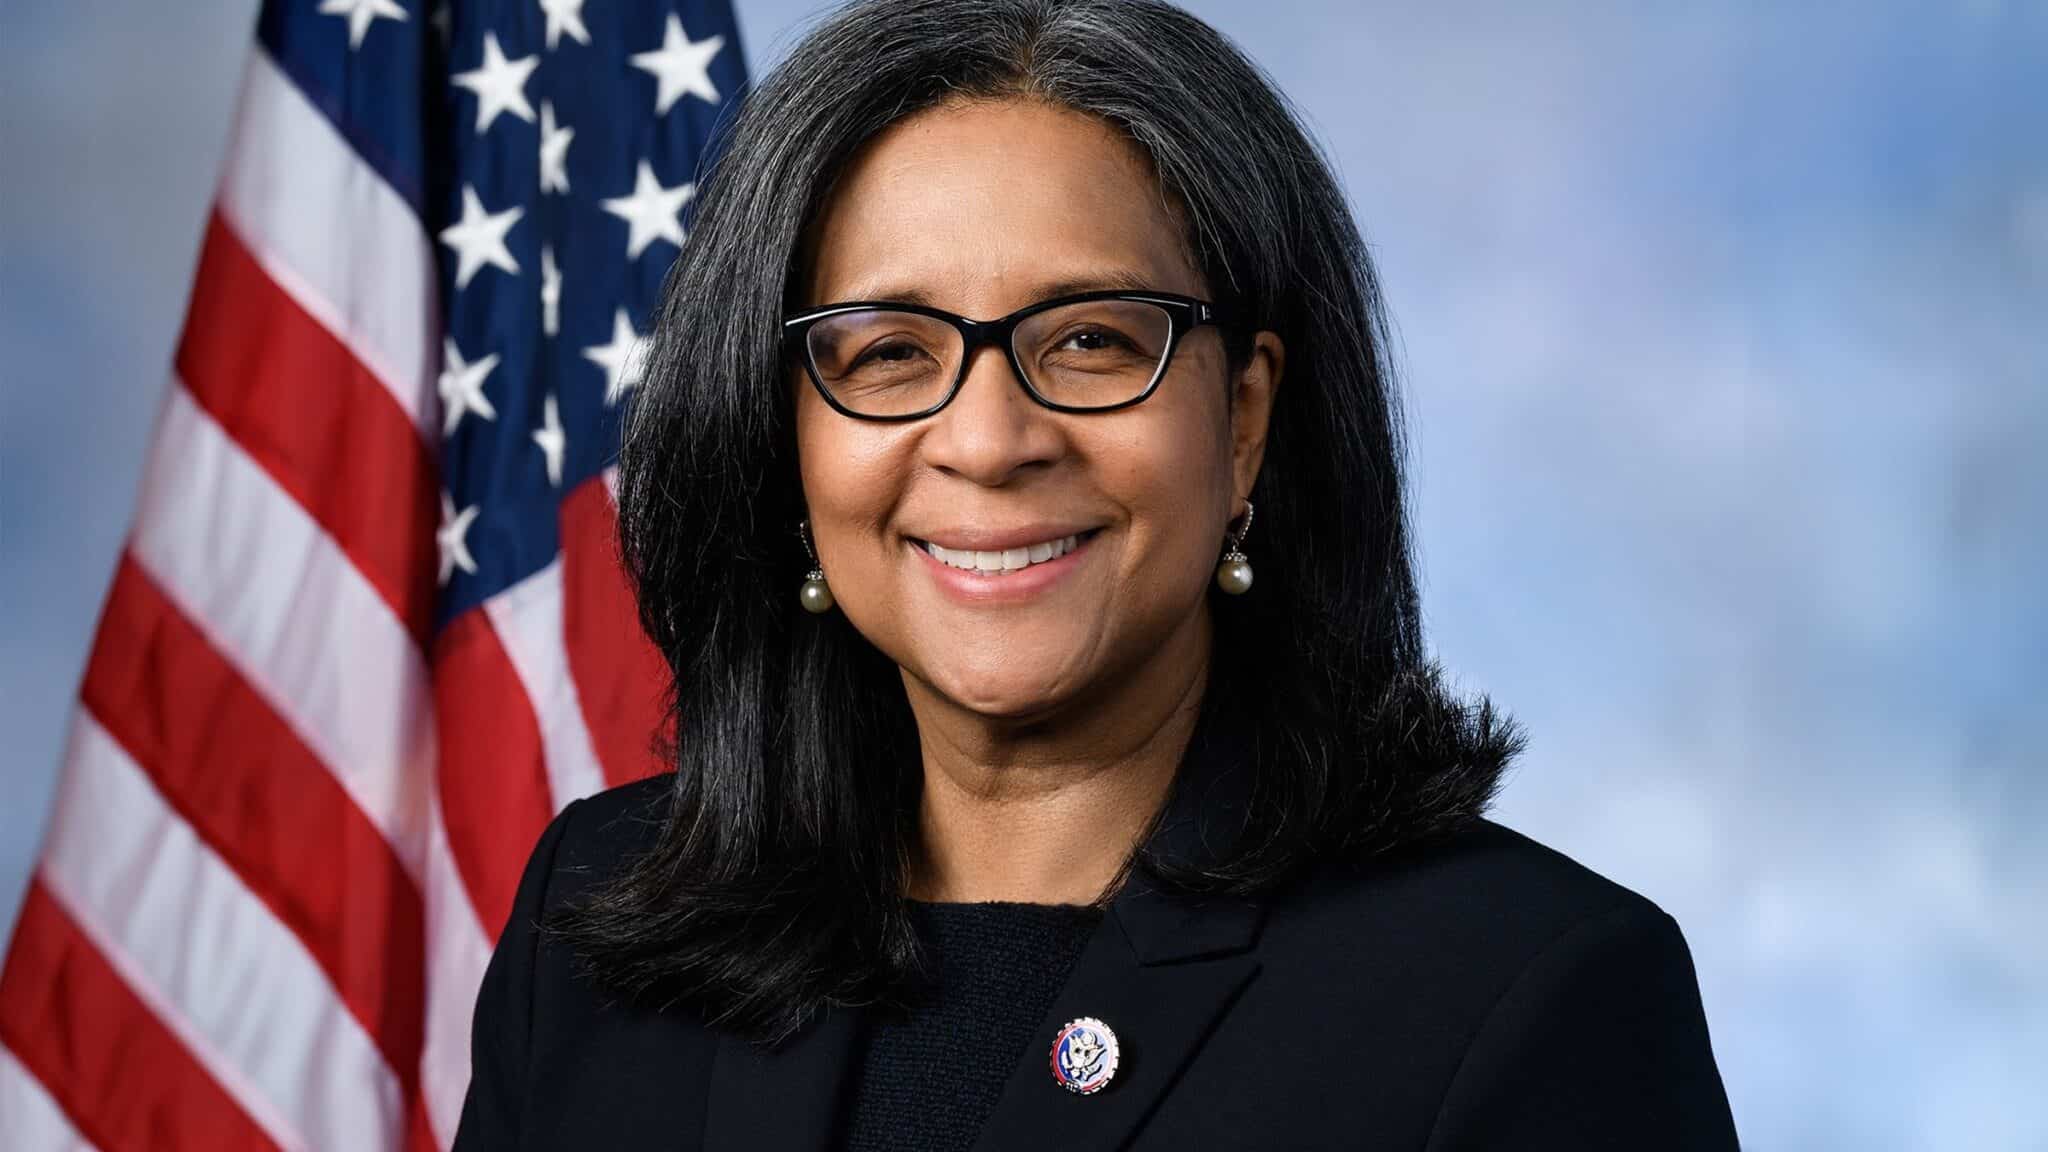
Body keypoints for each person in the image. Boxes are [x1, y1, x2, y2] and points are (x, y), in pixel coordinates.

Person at [452, 0, 1741, 1147]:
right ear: (783, 434)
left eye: (1088, 339)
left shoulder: (1523, 988)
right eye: (889, 352)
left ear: (1243, 420)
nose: (990, 441)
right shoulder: (600, 925)